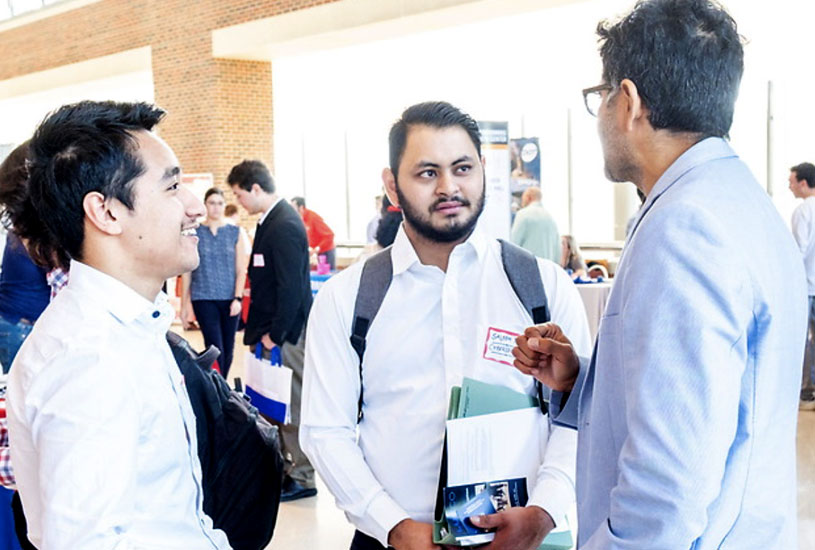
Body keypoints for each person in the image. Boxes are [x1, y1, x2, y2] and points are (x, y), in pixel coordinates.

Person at [512, 1, 806, 548]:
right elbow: (719, 396)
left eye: (599, 98)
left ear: (628, 102)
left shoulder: (685, 228)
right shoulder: (739, 201)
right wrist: (582, 380)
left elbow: (668, 485)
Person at [300, 101, 591, 550]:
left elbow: (578, 416)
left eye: (462, 168)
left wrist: (545, 512)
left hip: (523, 538)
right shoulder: (348, 299)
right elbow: (325, 431)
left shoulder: (543, 287)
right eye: (427, 173)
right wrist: (394, 526)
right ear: (392, 186)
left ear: (483, 171)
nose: (449, 187)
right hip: (394, 539)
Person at [6, 100, 231, 550]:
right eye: (171, 187)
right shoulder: (89, 358)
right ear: (106, 212)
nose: (194, 207)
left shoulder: (130, 326)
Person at [228, 160, 316, 501]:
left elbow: (292, 288)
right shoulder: (270, 221)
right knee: (272, 401)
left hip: (286, 335)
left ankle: (303, 477)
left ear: (255, 188)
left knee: (291, 404)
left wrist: (275, 334)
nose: (240, 203)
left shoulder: (286, 225)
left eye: (239, 194)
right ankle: (285, 468)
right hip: (269, 333)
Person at [181, 187, 249, 378]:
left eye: (220, 203)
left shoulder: (235, 232)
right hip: (203, 297)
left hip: (230, 300)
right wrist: (185, 304)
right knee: (214, 346)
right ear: (205, 205)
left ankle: (222, 386)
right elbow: (188, 271)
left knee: (228, 348)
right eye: (212, 203)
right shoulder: (195, 232)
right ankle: (217, 387)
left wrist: (237, 298)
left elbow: (240, 269)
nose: (216, 207)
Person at [789, 162, 815, 410]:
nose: (790, 185)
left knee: (803, 339)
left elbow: (799, 249)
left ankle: (807, 392)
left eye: (792, 181)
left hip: (807, 285)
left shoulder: (803, 211)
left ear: (804, 183)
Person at [510, 186, 561, 263]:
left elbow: (513, 245)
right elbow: (558, 253)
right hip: (547, 271)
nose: (522, 203)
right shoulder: (551, 218)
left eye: (522, 199)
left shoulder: (523, 214)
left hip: (527, 268)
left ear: (528, 198)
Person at [291, 196, 336, 270]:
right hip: (313, 252)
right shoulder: (297, 219)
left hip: (325, 251)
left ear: (301, 207)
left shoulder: (313, 217)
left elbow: (330, 235)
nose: (291, 210)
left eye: (293, 207)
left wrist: (317, 249)